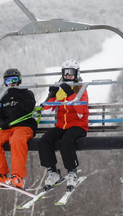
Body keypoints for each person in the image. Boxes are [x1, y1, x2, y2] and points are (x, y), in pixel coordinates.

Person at [38, 59, 89, 191]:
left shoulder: (81, 89)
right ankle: (53, 172)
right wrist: (51, 95)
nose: (67, 75)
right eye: (65, 72)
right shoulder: (60, 90)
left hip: (78, 126)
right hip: (62, 126)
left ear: (76, 73)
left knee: (66, 141)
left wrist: (71, 94)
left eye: (71, 72)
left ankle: (72, 172)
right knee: (45, 140)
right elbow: (47, 110)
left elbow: (80, 112)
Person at [0, 68, 37, 188]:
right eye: (8, 81)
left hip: (24, 126)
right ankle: (0, 175)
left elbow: (28, 108)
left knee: (16, 140)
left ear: (19, 81)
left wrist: (17, 96)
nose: (11, 83)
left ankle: (17, 176)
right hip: (8, 128)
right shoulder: (4, 97)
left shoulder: (26, 93)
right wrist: (1, 123)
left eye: (14, 80)